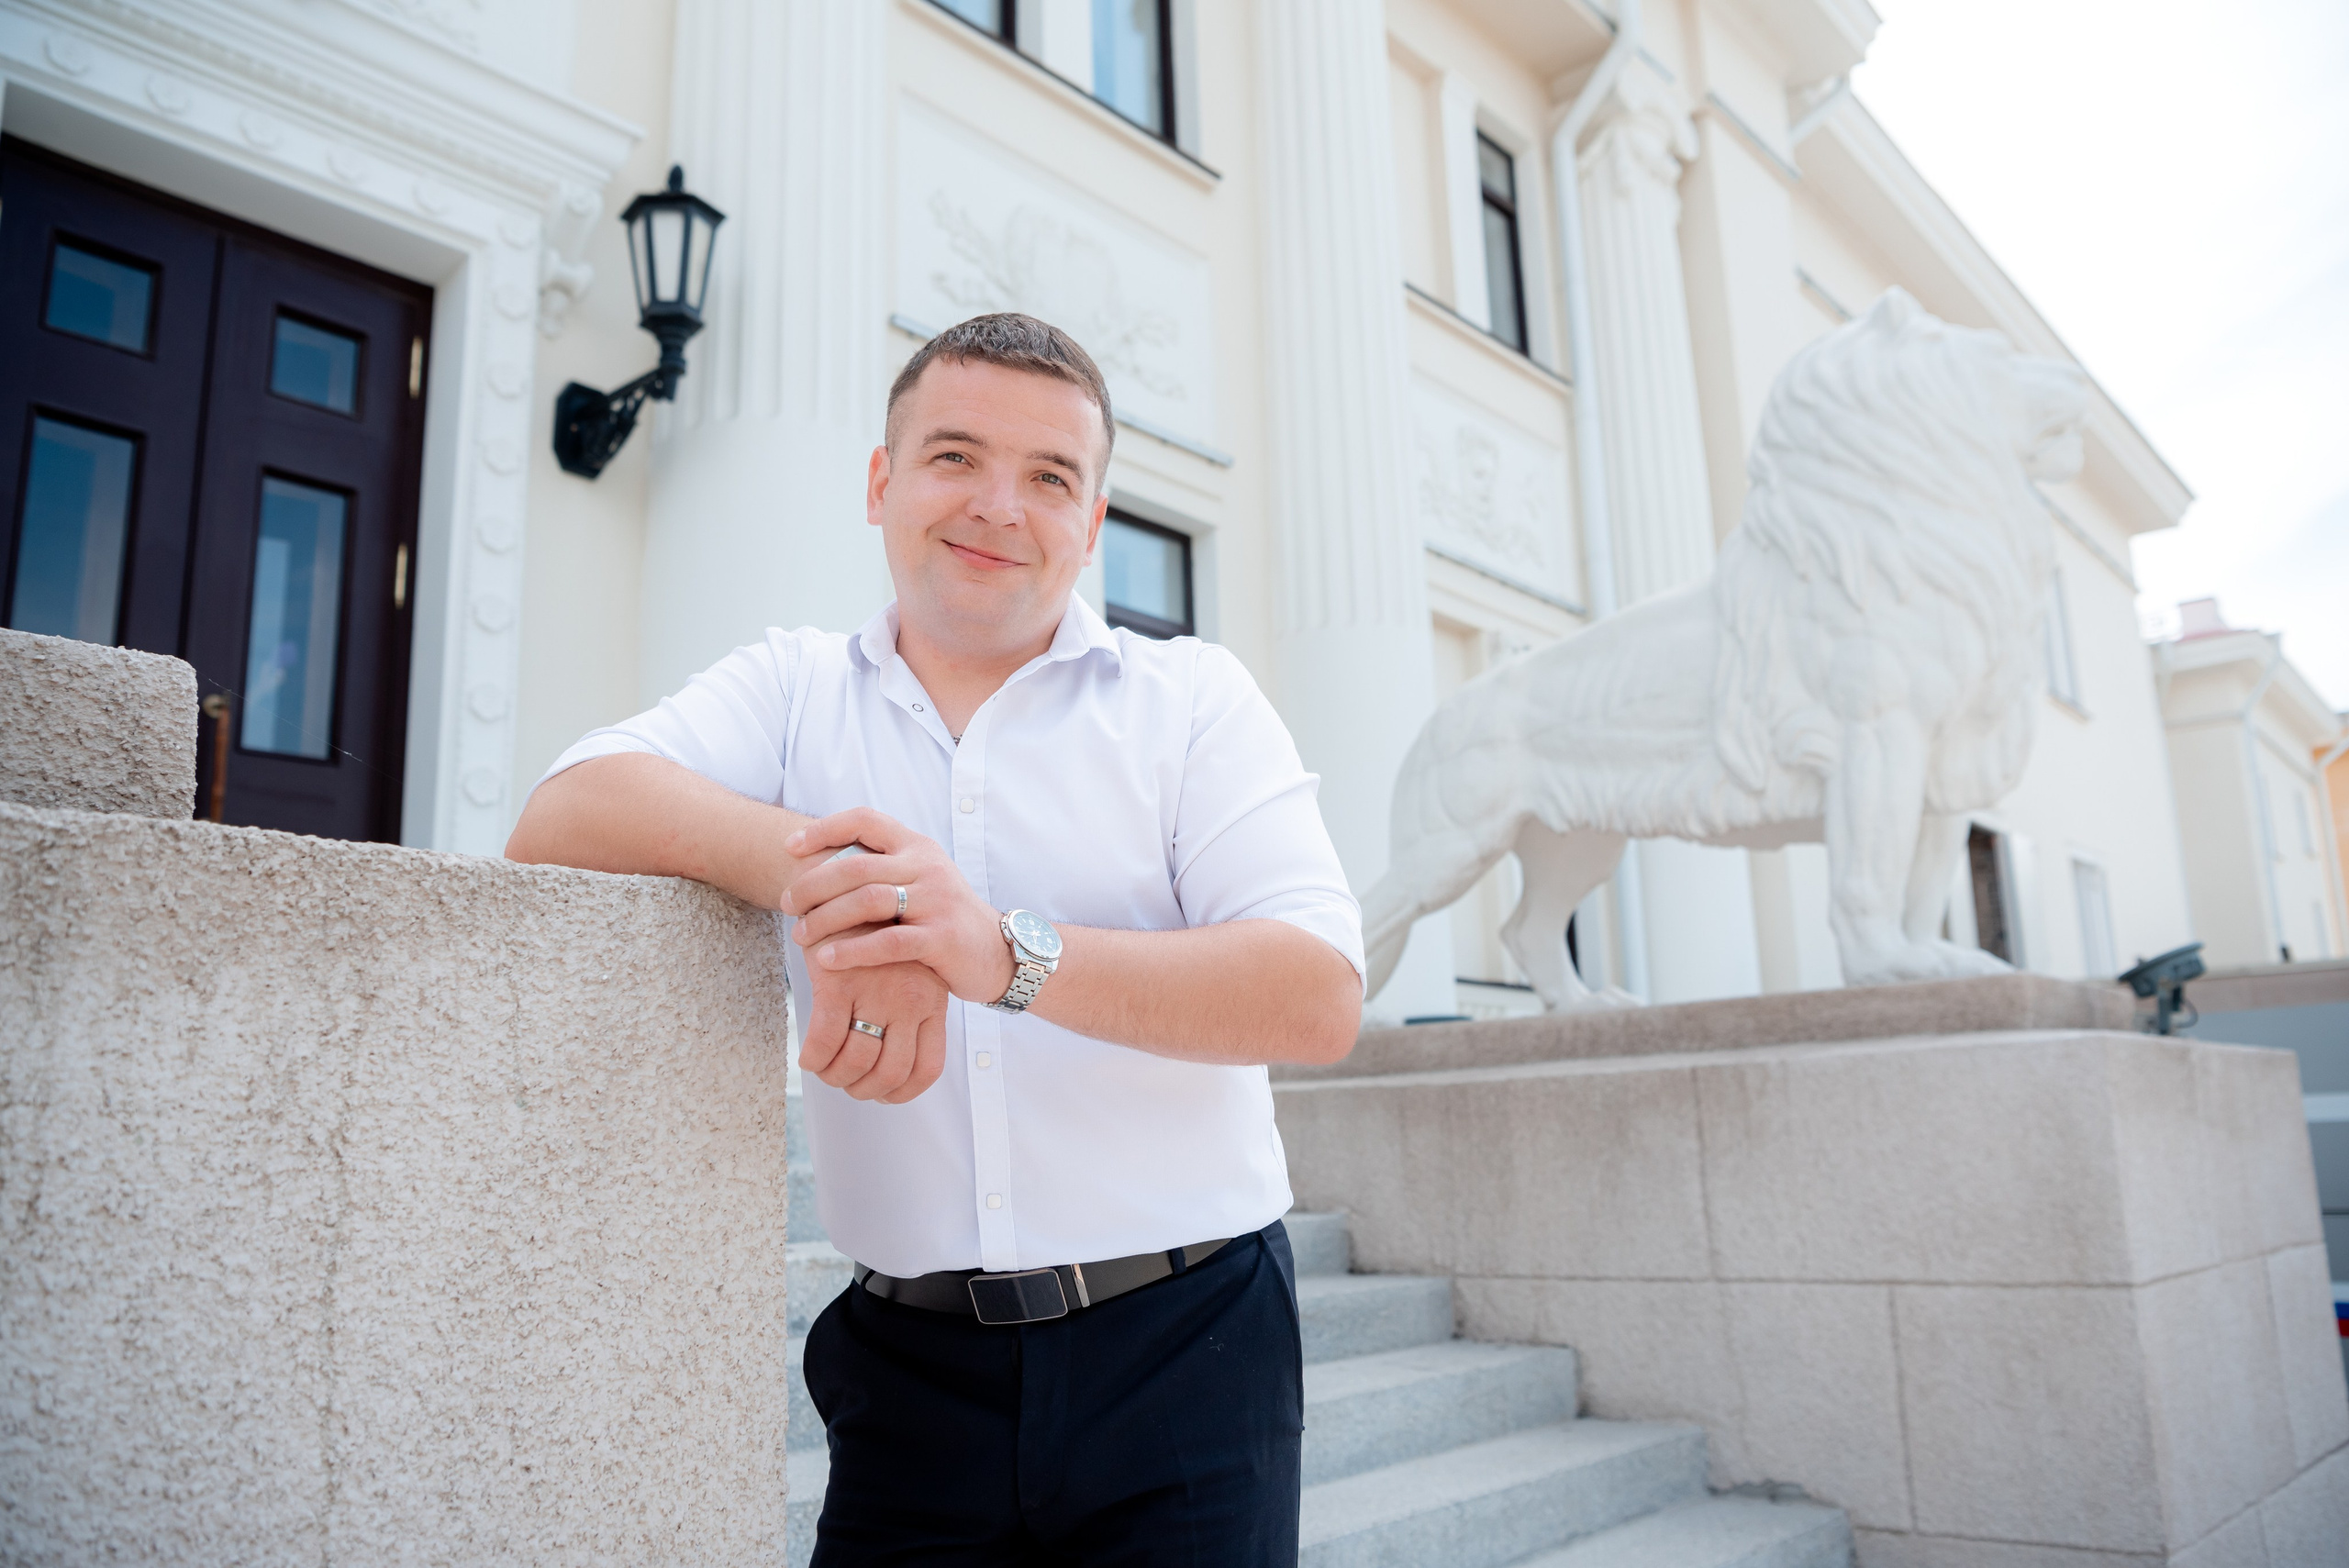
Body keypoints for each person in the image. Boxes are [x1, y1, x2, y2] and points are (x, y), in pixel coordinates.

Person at [507, 313, 1364, 1563]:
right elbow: (563, 811)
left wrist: (999, 952)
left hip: (1188, 1344)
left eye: (1049, 477)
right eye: (955, 455)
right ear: (881, 481)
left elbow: (1317, 992)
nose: (998, 507)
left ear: (1094, 520)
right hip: (909, 1376)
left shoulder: (1194, 703)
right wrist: (854, 886)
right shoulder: (796, 688)